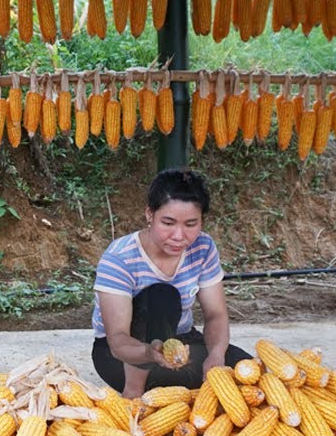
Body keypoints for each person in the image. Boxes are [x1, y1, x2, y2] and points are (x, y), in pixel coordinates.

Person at [90, 168, 252, 397]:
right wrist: (150, 353)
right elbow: (117, 340)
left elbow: (215, 314)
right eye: (168, 223)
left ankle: (174, 386)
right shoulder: (119, 258)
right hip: (122, 355)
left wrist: (216, 356)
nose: (178, 236)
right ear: (150, 214)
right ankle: (134, 394)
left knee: (247, 371)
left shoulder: (203, 247)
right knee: (161, 296)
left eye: (190, 224)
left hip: (179, 344)